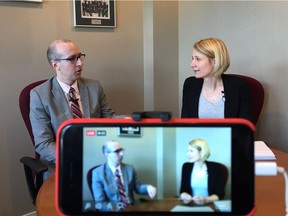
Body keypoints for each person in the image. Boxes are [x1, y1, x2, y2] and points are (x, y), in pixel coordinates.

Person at [30, 39, 128, 175]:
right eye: (72, 59)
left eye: (80, 57)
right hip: (61, 164)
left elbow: (108, 118)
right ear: (55, 64)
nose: (80, 63)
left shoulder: (94, 86)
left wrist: (129, 120)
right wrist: (76, 158)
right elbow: (44, 144)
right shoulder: (39, 95)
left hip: (97, 159)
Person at [181, 37, 254, 123]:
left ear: (215, 61)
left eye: (198, 59)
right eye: (192, 58)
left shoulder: (239, 86)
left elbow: (245, 129)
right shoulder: (190, 84)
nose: (192, 64)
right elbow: (185, 125)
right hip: (197, 137)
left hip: (231, 137)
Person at [91, 140, 157, 212]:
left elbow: (138, 188)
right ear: (107, 154)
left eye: (122, 150)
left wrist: (148, 188)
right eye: (117, 151)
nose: (122, 154)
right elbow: (100, 202)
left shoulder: (129, 168)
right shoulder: (97, 173)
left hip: (132, 208)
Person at [180, 138, 228, 205]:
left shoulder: (217, 168)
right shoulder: (186, 167)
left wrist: (205, 200)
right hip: (191, 205)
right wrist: (184, 195)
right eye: (187, 151)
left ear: (201, 151)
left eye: (191, 151)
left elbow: (220, 194)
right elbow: (183, 190)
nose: (187, 154)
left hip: (211, 205)